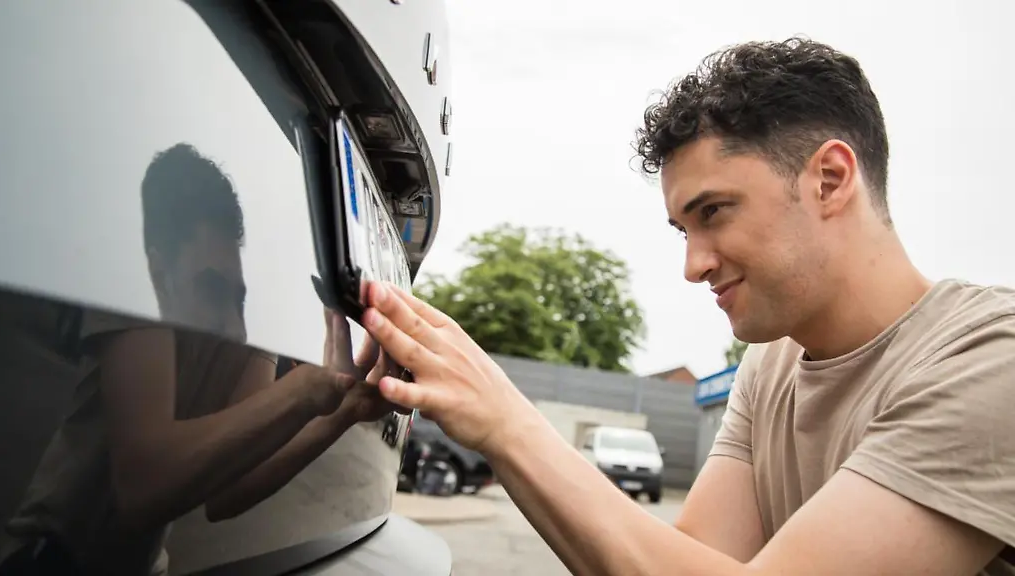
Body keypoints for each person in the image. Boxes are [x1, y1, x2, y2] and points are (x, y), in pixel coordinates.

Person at [355, 37, 1015, 576]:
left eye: (715, 212)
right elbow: (687, 562)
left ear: (830, 179)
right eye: (683, 229)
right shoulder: (769, 366)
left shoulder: (988, 361)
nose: (694, 264)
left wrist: (506, 424)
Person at [0, 144, 397, 576]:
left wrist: (344, 407)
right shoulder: (136, 292)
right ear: (157, 270)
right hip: (47, 562)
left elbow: (231, 491)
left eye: (238, 296)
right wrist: (303, 391)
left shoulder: (245, 332)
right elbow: (143, 486)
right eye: (210, 288)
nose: (235, 326)